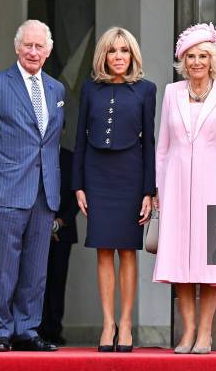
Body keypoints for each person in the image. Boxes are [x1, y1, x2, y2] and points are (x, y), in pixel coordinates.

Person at [153, 22, 216, 355]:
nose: (196, 62)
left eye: (202, 56)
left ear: (213, 60)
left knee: (210, 260)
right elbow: (162, 145)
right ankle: (188, 331)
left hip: (214, 183)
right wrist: (159, 187)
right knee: (180, 258)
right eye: (190, 56)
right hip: (176, 184)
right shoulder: (171, 92)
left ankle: (205, 332)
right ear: (183, 60)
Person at [0, 19, 65, 352]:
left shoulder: (56, 90)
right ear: (17, 47)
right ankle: (0, 331)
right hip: (5, 189)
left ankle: (27, 328)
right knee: (2, 267)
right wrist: (3, 172)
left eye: (40, 46)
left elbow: (51, 141)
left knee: (36, 267)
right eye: (28, 45)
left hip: (44, 191)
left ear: (49, 50)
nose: (33, 51)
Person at [72, 27, 156, 353]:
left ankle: (126, 324)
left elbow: (149, 141)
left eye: (124, 51)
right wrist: (78, 184)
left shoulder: (146, 90)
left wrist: (149, 190)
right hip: (97, 175)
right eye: (112, 51)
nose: (118, 57)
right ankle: (108, 323)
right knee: (103, 250)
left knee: (127, 251)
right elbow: (79, 139)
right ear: (103, 56)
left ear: (132, 56)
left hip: (131, 176)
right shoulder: (90, 89)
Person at [39, 126, 80, 346]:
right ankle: (35, 327)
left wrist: (60, 222)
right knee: (36, 280)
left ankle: (54, 329)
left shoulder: (70, 158)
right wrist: (45, 223)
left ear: (63, 130)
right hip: (38, 228)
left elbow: (78, 196)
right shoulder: (38, 154)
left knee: (57, 280)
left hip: (63, 231)